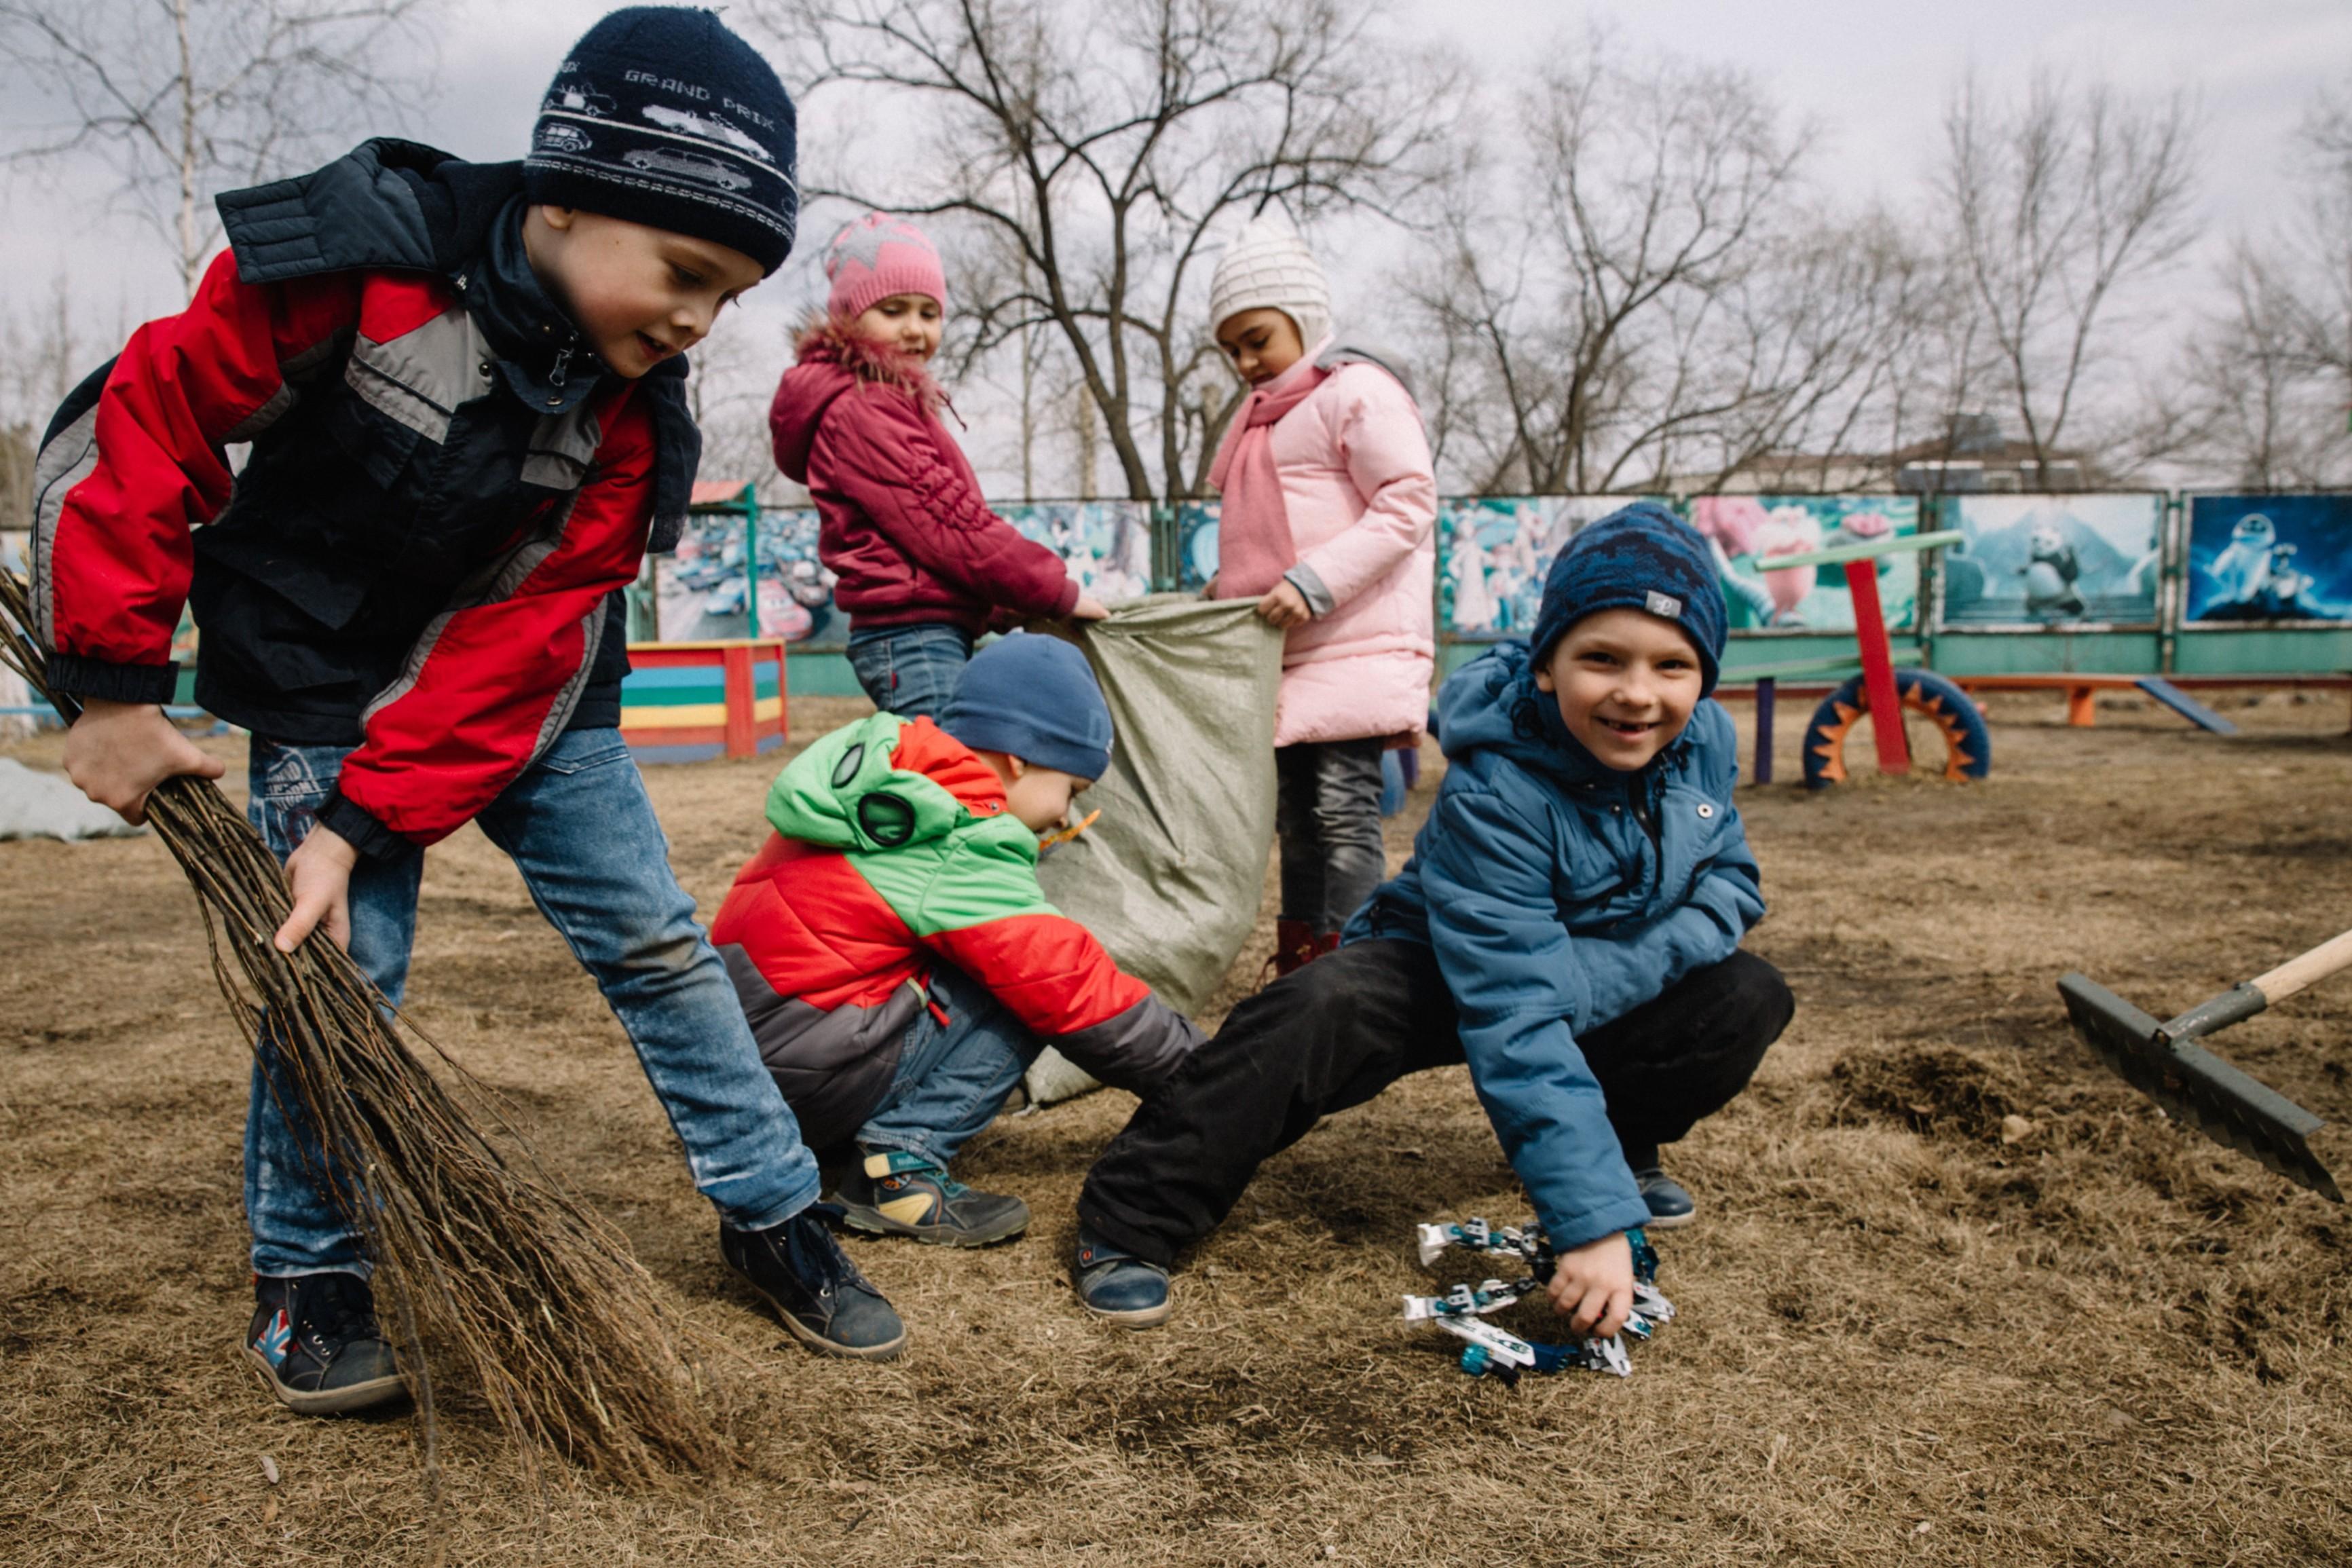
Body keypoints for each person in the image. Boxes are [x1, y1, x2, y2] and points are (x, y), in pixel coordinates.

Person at [35, 7, 908, 1413]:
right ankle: (310, 1268)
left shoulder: (633, 416)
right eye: (684, 273)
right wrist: (111, 684)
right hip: (319, 667)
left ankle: (772, 1214)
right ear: (563, 196)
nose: (697, 320)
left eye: (731, 295)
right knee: (338, 971)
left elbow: (521, 634)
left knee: (656, 941)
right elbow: (140, 424)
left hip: (529, 694)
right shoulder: (352, 267)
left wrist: (363, 820)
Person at [1069, 504, 1795, 1330]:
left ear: (1705, 678)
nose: (1637, 693)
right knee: (1321, 1007)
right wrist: (1590, 1223)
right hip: (1454, 963)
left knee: (1745, 995)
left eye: (1672, 665)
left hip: (1593, 965)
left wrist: (1610, 973)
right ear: (1548, 665)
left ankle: (1619, 1144)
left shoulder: (1703, 742)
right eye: (1602, 658)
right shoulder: (1501, 792)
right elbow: (1516, 1011)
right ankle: (1131, 1217)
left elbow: (1731, 880)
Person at [711, 633, 1201, 1246]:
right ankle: (897, 1169)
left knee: (993, 962)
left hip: (745, 1081)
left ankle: (853, 1132)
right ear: (1019, 759)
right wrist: (1210, 1079)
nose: (1064, 817)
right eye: (1072, 791)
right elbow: (1067, 983)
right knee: (1025, 986)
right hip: (805, 1083)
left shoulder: (892, 788)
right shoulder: (960, 831)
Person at [1203, 211, 1437, 977]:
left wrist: (1313, 582)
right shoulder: (1262, 419)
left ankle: (1354, 971)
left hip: (1351, 642)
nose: (1245, 361)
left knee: (1342, 813)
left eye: (1257, 339)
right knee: (1296, 824)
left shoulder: (1356, 392)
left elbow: (1407, 501)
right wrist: (1222, 596)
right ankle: (1304, 971)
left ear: (1303, 320)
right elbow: (1267, 538)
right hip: (1291, 655)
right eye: (1231, 348)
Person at [768, 213, 1108, 719]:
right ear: (848, 317)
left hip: (924, 629)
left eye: (929, 313)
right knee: (942, 766)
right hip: (912, 635)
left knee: (948, 761)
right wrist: (1053, 591)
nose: (914, 329)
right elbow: (947, 523)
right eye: (893, 310)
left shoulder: (887, 403)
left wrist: (1006, 604)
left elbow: (928, 541)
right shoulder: (864, 410)